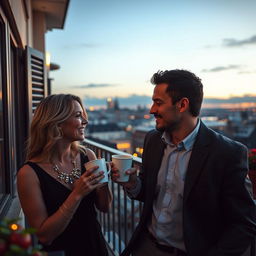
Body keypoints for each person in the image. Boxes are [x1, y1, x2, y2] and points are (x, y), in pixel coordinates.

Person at [111, 70, 256, 256]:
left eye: (158, 102)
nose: (151, 110)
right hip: (145, 246)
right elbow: (149, 193)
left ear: (182, 105)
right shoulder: (153, 140)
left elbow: (244, 224)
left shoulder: (227, 153)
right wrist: (133, 184)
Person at [17, 94, 112, 256]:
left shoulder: (87, 156)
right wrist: (77, 193)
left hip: (95, 247)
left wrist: (103, 179)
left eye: (83, 115)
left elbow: (105, 207)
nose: (85, 121)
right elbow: (45, 236)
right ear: (56, 122)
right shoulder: (29, 174)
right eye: (77, 115)